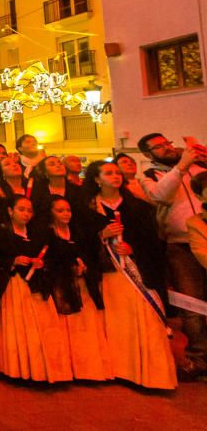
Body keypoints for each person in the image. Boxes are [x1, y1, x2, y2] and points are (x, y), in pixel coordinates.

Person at [86, 160, 177, 389]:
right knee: (118, 323)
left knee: (144, 317)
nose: (115, 176)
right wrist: (101, 235)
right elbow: (80, 241)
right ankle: (120, 369)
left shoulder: (138, 207)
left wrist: (133, 249)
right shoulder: (87, 208)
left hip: (137, 272)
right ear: (96, 179)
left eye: (117, 173)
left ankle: (152, 373)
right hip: (109, 275)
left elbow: (153, 243)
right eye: (108, 173)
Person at [137, 133, 207, 379]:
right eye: (159, 147)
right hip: (180, 246)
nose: (167, 148)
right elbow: (160, 197)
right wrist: (181, 166)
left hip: (205, 237)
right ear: (148, 155)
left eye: (167, 143)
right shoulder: (149, 176)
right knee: (193, 304)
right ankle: (198, 358)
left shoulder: (199, 166)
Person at [0, 196, 71, 383]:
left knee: (43, 326)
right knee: (18, 327)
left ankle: (45, 370)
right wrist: (12, 261)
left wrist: (43, 262)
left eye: (29, 211)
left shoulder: (39, 234)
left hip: (37, 285)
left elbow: (56, 255)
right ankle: (18, 369)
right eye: (21, 209)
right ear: (10, 211)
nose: (25, 214)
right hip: (14, 284)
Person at [45, 196, 113, 382]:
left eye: (68, 210)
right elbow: (48, 261)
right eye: (60, 211)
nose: (66, 214)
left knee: (86, 329)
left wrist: (83, 268)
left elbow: (90, 255)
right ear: (51, 213)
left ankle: (89, 369)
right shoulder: (47, 234)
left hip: (83, 286)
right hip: (60, 288)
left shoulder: (78, 232)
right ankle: (65, 369)